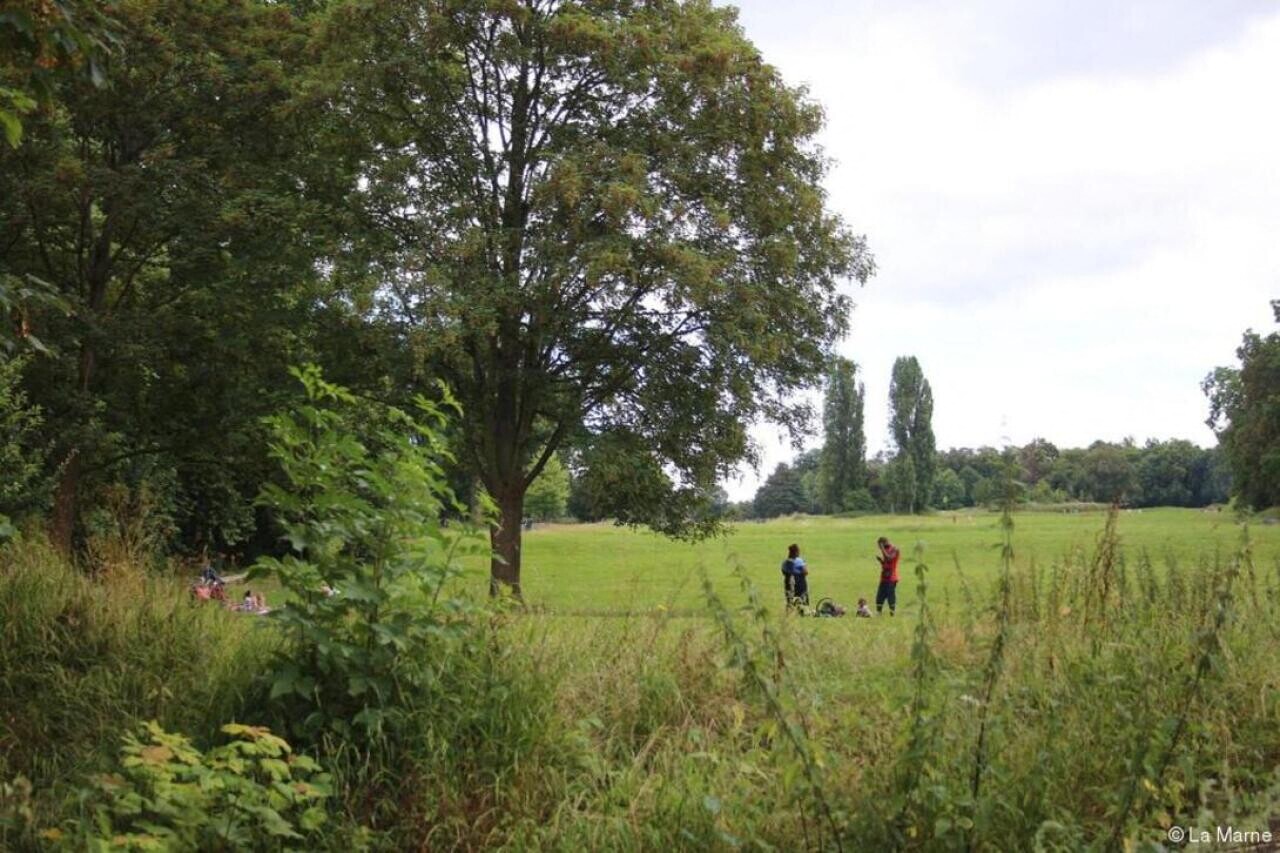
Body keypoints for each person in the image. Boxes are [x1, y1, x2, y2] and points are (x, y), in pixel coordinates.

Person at [875, 537, 900, 615]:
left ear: (883, 543)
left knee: (890, 596)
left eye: (879, 545)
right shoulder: (886, 550)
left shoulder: (895, 549)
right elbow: (886, 563)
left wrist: (882, 548)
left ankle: (892, 613)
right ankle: (879, 613)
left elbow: (889, 558)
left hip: (891, 578)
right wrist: (881, 561)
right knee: (879, 597)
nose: (879, 548)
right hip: (884, 577)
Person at [781, 543, 809, 607]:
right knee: (802, 598)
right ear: (796, 552)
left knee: (790, 598)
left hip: (788, 582)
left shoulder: (784, 562)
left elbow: (783, 572)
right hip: (799, 583)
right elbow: (806, 572)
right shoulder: (799, 561)